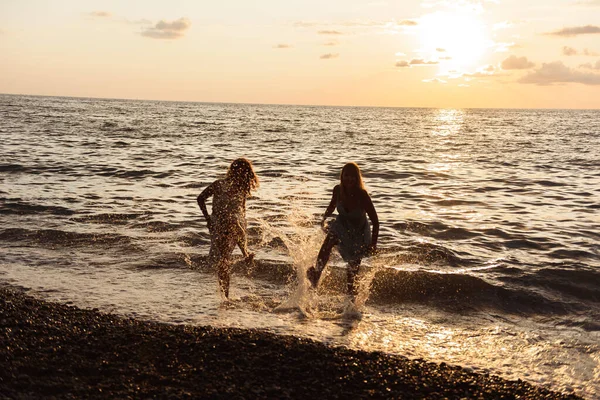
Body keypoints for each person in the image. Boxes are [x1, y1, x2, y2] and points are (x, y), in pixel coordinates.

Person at [307, 162, 379, 300]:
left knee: (352, 272)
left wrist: (373, 244)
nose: (349, 179)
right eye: (346, 175)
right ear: (342, 176)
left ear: (357, 178)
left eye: (352, 176)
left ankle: (351, 303)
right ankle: (316, 274)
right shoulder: (338, 190)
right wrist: (324, 218)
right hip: (342, 225)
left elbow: (375, 222)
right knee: (330, 239)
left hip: (359, 233)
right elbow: (332, 206)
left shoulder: (362, 195)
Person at [197, 158, 259, 299]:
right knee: (224, 260)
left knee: (224, 259)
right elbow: (200, 198)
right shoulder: (219, 185)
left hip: (229, 225)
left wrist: (208, 220)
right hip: (219, 225)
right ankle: (225, 295)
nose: (242, 175)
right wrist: (208, 219)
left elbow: (242, 212)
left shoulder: (241, 189)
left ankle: (225, 295)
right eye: (242, 172)